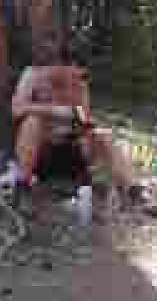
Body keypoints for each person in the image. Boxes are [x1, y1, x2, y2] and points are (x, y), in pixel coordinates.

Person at [11, 60, 142, 200]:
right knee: (32, 122)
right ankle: (22, 185)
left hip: (72, 149)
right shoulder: (34, 75)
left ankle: (132, 188)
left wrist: (80, 120)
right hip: (41, 152)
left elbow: (84, 117)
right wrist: (56, 110)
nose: (73, 81)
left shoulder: (79, 82)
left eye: (76, 76)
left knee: (104, 135)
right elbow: (17, 109)